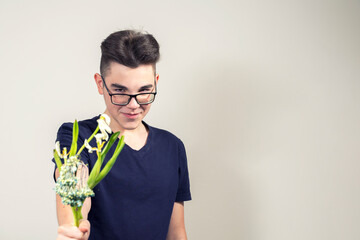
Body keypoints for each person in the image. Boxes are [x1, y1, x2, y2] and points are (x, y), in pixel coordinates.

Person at [53, 30, 192, 240]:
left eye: (144, 91)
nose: (133, 104)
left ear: (156, 82)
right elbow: (74, 188)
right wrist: (75, 225)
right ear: (101, 84)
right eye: (120, 92)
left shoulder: (172, 147)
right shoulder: (78, 137)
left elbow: (176, 233)